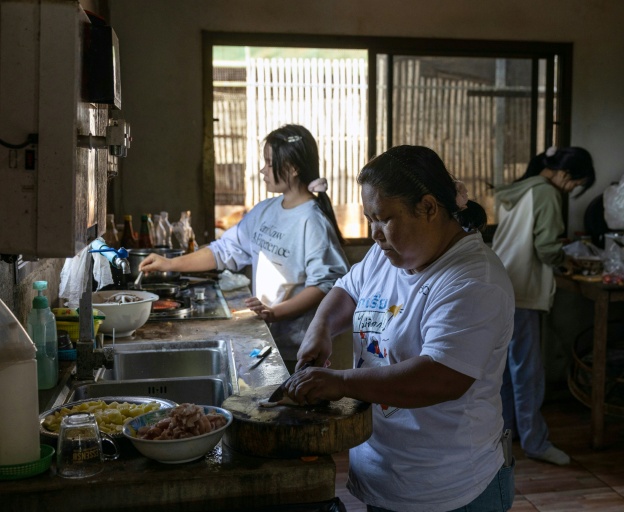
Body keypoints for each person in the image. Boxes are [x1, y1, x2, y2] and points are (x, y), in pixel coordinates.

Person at [283, 145, 516, 512]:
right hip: (385, 473)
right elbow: (347, 290)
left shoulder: (472, 281)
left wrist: (340, 383)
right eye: (369, 218)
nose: (374, 233)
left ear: (428, 207)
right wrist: (320, 331)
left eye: (383, 218)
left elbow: (440, 377)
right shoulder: (388, 253)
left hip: (447, 488)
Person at [139, 124, 349, 368]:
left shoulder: (312, 221)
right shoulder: (266, 210)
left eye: (269, 163)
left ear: (293, 168)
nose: (263, 170)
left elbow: (324, 285)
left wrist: (275, 312)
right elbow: (224, 250)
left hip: (297, 346)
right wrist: (169, 264)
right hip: (267, 334)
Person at [491, 146, 596, 466]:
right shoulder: (547, 193)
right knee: (528, 372)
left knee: (505, 370)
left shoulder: (519, 188)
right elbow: (547, 247)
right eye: (575, 183)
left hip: (500, 283)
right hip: (524, 289)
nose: (572, 190)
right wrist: (567, 262)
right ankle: (536, 443)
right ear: (564, 174)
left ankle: (508, 431)